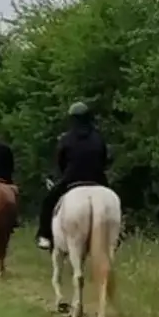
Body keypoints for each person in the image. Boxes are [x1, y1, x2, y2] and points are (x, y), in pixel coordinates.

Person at [36, 102, 110, 250]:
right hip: (97, 179)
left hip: (71, 178)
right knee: (114, 200)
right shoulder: (98, 138)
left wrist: (62, 174)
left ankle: (45, 235)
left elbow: (60, 161)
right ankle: (117, 234)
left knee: (48, 201)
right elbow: (104, 159)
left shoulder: (66, 139)